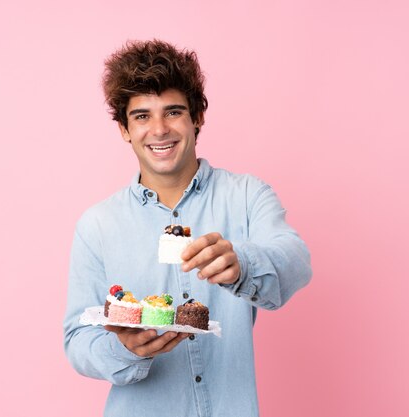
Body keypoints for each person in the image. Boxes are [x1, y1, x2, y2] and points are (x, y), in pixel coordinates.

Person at [63, 39, 312, 417]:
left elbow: (295, 261)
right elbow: (78, 340)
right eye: (142, 116)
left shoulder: (246, 195)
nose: (159, 129)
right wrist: (124, 350)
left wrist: (241, 261)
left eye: (174, 112)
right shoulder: (97, 224)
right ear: (125, 130)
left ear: (198, 116)